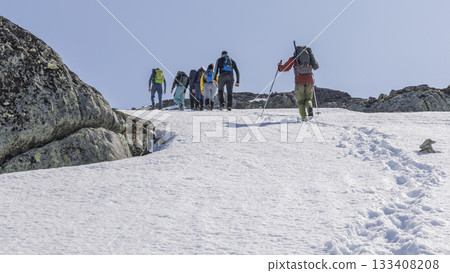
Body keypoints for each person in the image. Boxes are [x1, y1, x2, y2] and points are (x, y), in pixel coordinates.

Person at [278, 46, 319, 121]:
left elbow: (285, 68)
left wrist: (279, 66)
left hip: (299, 81)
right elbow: (316, 66)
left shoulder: (294, 58)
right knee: (308, 99)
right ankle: (309, 107)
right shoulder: (309, 58)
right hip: (310, 80)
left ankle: (304, 118)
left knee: (300, 102)